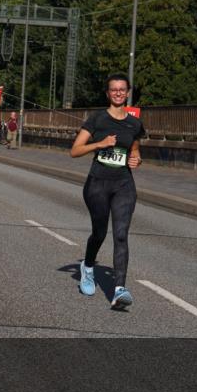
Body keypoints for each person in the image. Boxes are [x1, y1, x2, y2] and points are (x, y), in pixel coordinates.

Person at [69, 73, 144, 309]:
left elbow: (135, 146)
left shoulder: (134, 123)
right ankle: (88, 266)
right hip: (98, 184)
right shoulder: (97, 119)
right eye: (114, 90)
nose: (118, 93)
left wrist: (136, 157)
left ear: (128, 92)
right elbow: (75, 150)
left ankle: (119, 289)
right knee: (99, 233)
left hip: (123, 184)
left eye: (122, 89)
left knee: (121, 234)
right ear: (108, 93)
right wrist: (100, 144)